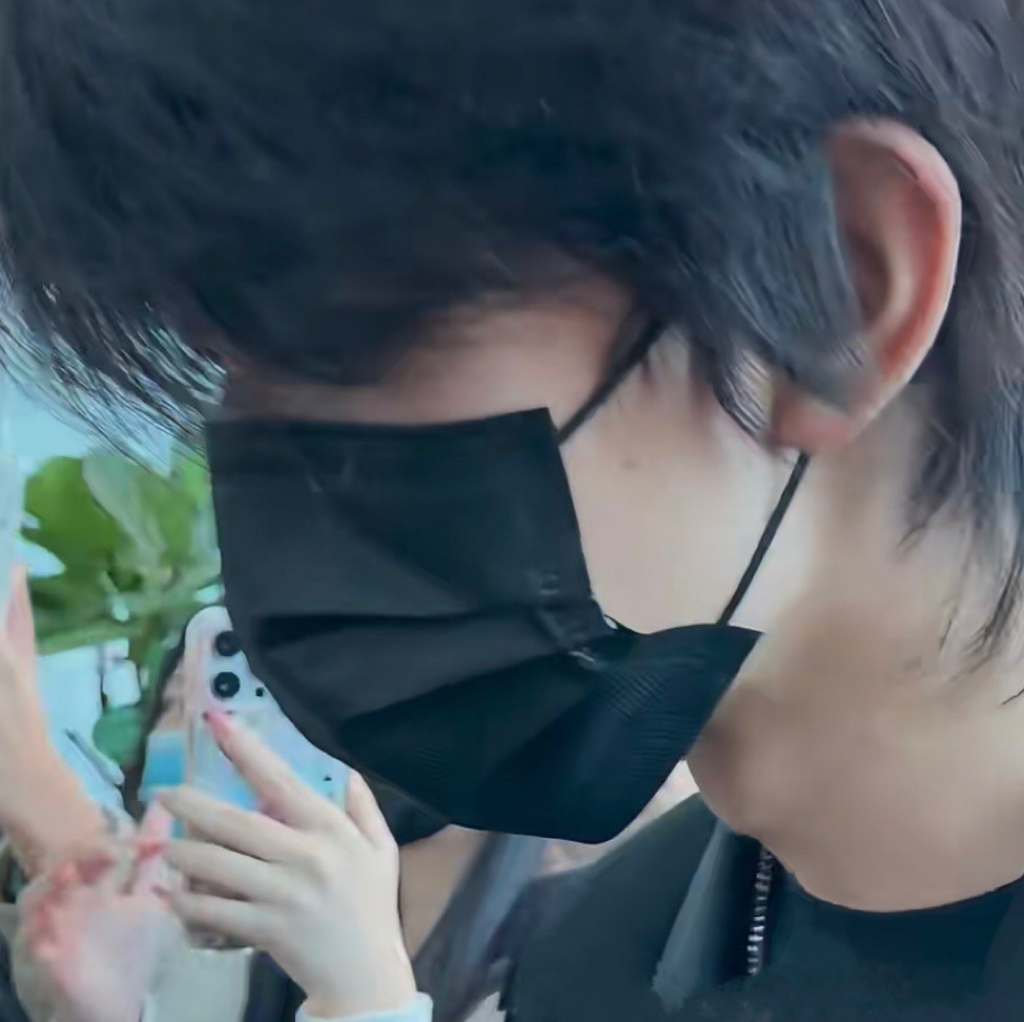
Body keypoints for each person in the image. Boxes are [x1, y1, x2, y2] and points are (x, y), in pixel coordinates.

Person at [5, 0, 1024, 1017]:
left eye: (350, 344)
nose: (285, 495)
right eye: (228, 371)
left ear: (837, 281)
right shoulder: (589, 967)